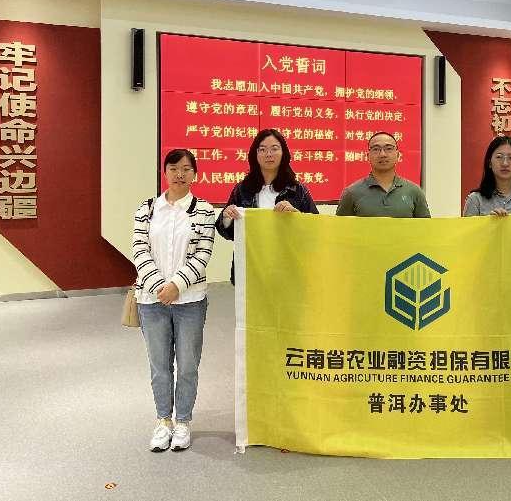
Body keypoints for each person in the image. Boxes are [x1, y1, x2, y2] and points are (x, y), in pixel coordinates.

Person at [132, 149, 216, 452]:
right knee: (160, 366)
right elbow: (139, 249)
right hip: (151, 300)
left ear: (195, 174)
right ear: (164, 172)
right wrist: (159, 287)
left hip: (190, 300)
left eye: (186, 169)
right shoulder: (146, 209)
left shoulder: (204, 210)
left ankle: (183, 421)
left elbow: (203, 254)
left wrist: (176, 286)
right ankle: (163, 420)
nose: (180, 174)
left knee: (188, 365)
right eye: (173, 168)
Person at [216, 129, 318, 282]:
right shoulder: (242, 189)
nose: (268, 154)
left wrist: (297, 217)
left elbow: (315, 230)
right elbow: (228, 233)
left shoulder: (297, 190)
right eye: (262, 149)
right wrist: (227, 218)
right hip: (251, 271)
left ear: (283, 153)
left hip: (288, 271)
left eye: (274, 149)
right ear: (255, 155)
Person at [336, 131, 430, 218]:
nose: (382, 154)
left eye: (388, 149)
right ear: (368, 156)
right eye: (376, 149)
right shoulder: (351, 193)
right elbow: (341, 228)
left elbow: (426, 227)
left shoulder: (414, 191)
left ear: (397, 155)